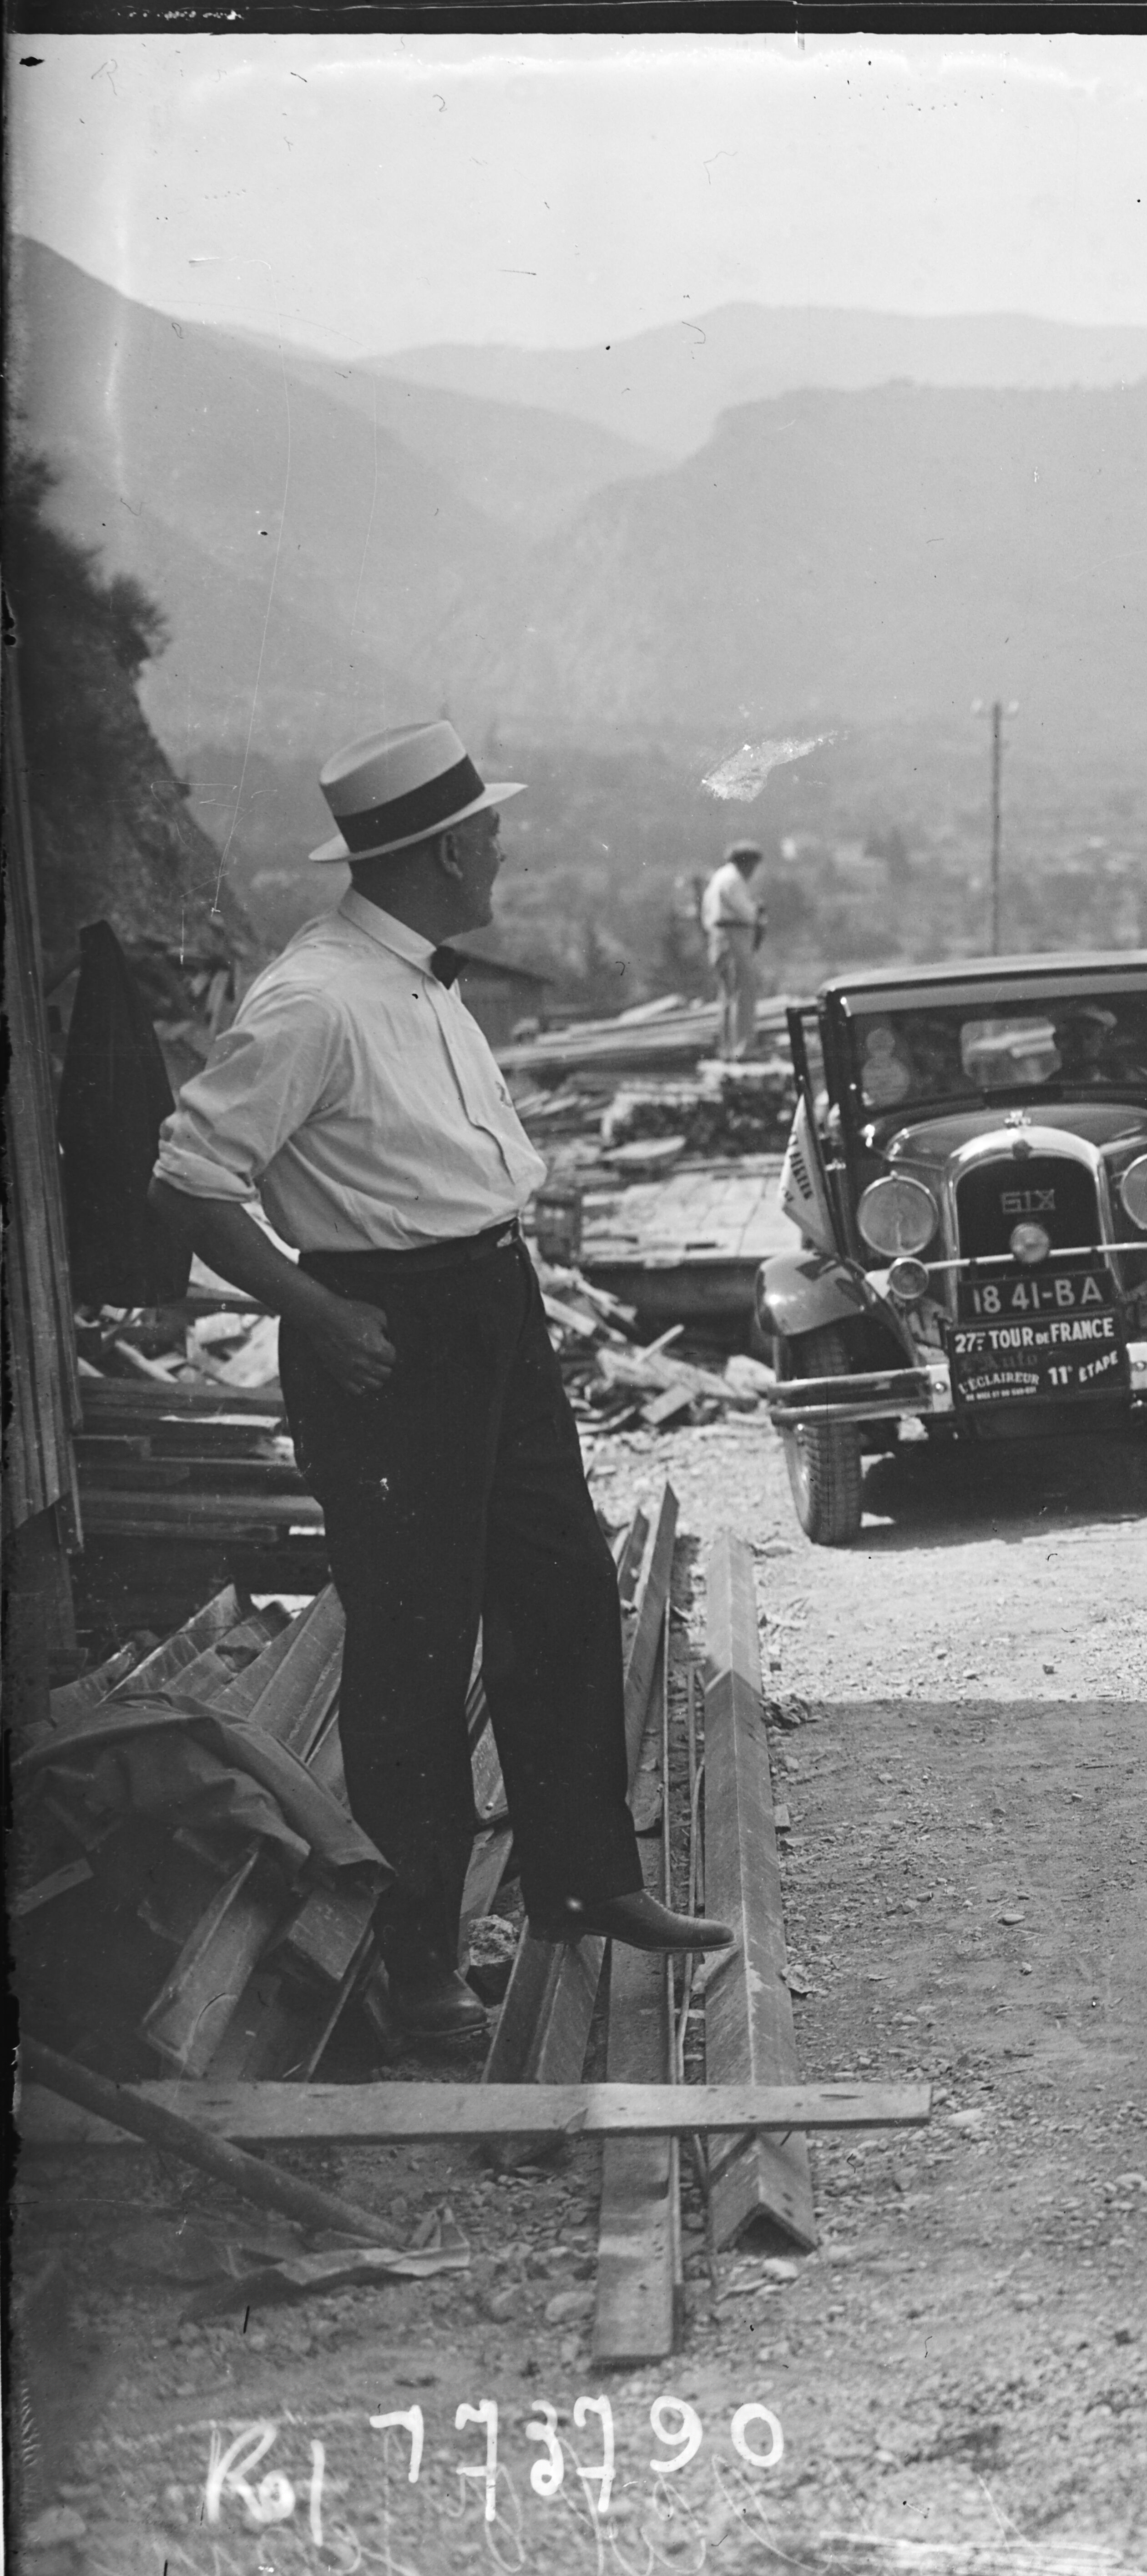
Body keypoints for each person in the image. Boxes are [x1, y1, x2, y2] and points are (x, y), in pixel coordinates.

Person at [147, 720, 732, 2046]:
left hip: (494, 1310)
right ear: (446, 850)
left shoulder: (420, 980)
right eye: (491, 833)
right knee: (416, 1651)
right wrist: (316, 1310)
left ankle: (591, 1885)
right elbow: (187, 1180)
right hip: (388, 1334)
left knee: (564, 1588)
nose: (505, 847)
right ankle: (420, 1965)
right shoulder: (316, 997)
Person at [701, 841, 765, 1062]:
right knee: (744, 992)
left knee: (728, 995)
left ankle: (727, 1048)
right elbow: (746, 912)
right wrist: (757, 912)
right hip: (733, 935)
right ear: (746, 863)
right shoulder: (732, 880)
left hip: (719, 936)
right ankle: (743, 1048)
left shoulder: (719, 878)